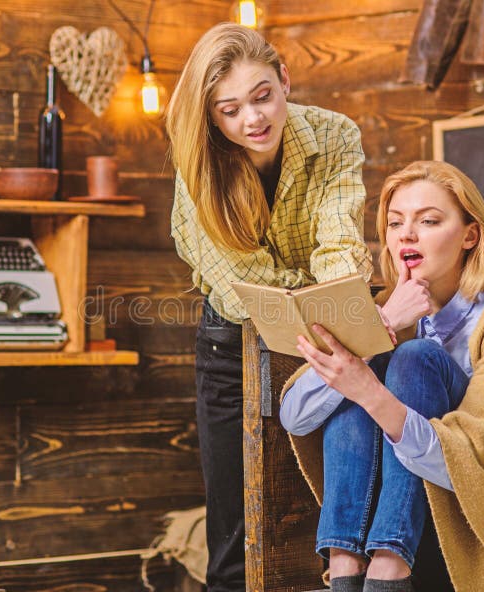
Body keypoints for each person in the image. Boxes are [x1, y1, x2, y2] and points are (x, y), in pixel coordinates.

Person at [280, 160, 484, 592]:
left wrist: (370, 390)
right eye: (394, 223)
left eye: (428, 220)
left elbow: (471, 463)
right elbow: (295, 416)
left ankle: (388, 566)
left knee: (410, 360)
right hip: (422, 528)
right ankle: (345, 564)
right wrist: (379, 328)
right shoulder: (383, 309)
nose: (406, 234)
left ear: (470, 235)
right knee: (358, 372)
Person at [166, 22, 373, 592]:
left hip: (328, 338)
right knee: (236, 531)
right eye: (230, 110)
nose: (252, 120)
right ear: (211, 116)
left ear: (284, 79)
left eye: (262, 96)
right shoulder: (199, 163)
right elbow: (243, 281)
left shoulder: (334, 135)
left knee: (314, 512)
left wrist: (338, 299)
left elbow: (337, 240)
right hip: (231, 346)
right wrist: (327, 299)